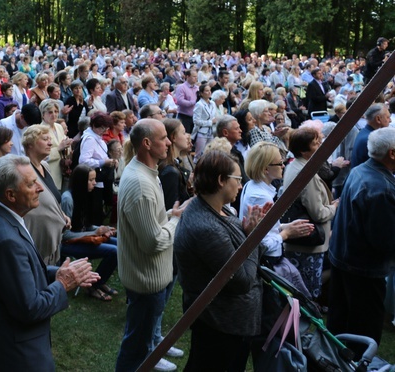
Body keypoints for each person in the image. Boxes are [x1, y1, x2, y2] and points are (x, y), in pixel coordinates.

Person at [0, 154, 98, 372]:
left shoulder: (1, 218)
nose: (40, 188)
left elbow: (15, 274)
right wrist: (63, 284)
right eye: (31, 184)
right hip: (17, 356)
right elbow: (29, 308)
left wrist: (58, 272)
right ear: (10, 194)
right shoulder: (5, 240)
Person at [174, 150, 265, 371]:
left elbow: (239, 252)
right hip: (221, 325)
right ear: (221, 180)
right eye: (237, 180)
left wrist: (248, 236)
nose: (241, 185)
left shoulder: (218, 210)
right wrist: (253, 238)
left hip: (227, 322)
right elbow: (241, 281)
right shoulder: (206, 227)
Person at [115, 119, 185, 372]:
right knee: (135, 349)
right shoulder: (141, 184)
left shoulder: (145, 173)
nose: (169, 142)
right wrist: (176, 221)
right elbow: (153, 242)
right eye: (163, 137)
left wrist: (168, 216)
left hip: (146, 278)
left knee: (138, 342)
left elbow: (148, 224)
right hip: (146, 282)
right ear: (146, 143)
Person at [327, 127, 395, 344]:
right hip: (363, 269)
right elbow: (385, 240)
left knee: (340, 324)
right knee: (363, 330)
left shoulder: (360, 170)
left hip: (343, 259)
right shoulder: (381, 188)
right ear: (392, 153)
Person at [240, 142, 313, 296]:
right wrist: (287, 234)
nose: (283, 166)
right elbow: (263, 243)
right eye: (280, 163)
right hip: (269, 263)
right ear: (266, 168)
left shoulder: (253, 187)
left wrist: (285, 226)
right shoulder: (261, 197)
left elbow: (265, 229)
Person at [282, 126, 338, 299]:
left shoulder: (294, 165)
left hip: (300, 241)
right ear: (303, 150)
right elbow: (318, 213)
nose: (321, 146)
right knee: (306, 293)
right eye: (316, 143)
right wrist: (334, 206)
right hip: (308, 244)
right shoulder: (306, 174)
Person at [61, 164, 119, 302]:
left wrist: (102, 229)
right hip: (69, 244)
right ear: (81, 181)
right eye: (91, 180)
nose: (94, 183)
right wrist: (95, 232)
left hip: (82, 238)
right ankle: (94, 286)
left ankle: (99, 281)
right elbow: (65, 235)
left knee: (120, 245)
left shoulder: (84, 195)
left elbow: (84, 225)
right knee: (114, 251)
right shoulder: (68, 199)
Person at [21, 125, 68, 266]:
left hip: (53, 235)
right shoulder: (24, 170)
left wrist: (62, 215)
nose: (50, 143)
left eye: (50, 139)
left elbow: (51, 198)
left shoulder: (45, 166)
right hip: (36, 236)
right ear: (30, 144)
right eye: (45, 139)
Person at [79, 112, 116, 227]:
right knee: (94, 214)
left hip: (99, 180)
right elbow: (83, 161)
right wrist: (103, 162)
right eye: (103, 128)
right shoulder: (90, 139)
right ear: (94, 126)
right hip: (94, 182)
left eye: (106, 128)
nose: (105, 131)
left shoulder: (97, 137)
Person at [39, 98, 72, 189]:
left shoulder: (59, 127)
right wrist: (58, 149)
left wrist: (68, 147)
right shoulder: (40, 130)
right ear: (42, 114)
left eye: (56, 111)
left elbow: (64, 145)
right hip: (50, 172)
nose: (54, 114)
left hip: (63, 171)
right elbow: (40, 156)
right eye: (50, 112)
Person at [350, 103, 390, 168]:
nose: (390, 120)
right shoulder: (372, 139)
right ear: (378, 119)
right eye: (388, 117)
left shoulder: (364, 132)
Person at [192, 82, 217, 159]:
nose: (209, 92)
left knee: (210, 153)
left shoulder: (213, 103)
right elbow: (196, 121)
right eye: (206, 91)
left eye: (210, 90)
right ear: (201, 93)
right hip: (202, 132)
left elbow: (214, 116)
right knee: (199, 155)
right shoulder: (199, 104)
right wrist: (210, 122)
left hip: (211, 132)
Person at [173, 69, 198, 134]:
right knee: (185, 135)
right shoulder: (181, 87)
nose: (196, 78)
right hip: (184, 116)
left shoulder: (197, 88)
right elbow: (180, 101)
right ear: (187, 76)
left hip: (195, 116)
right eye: (194, 76)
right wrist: (192, 102)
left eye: (196, 76)